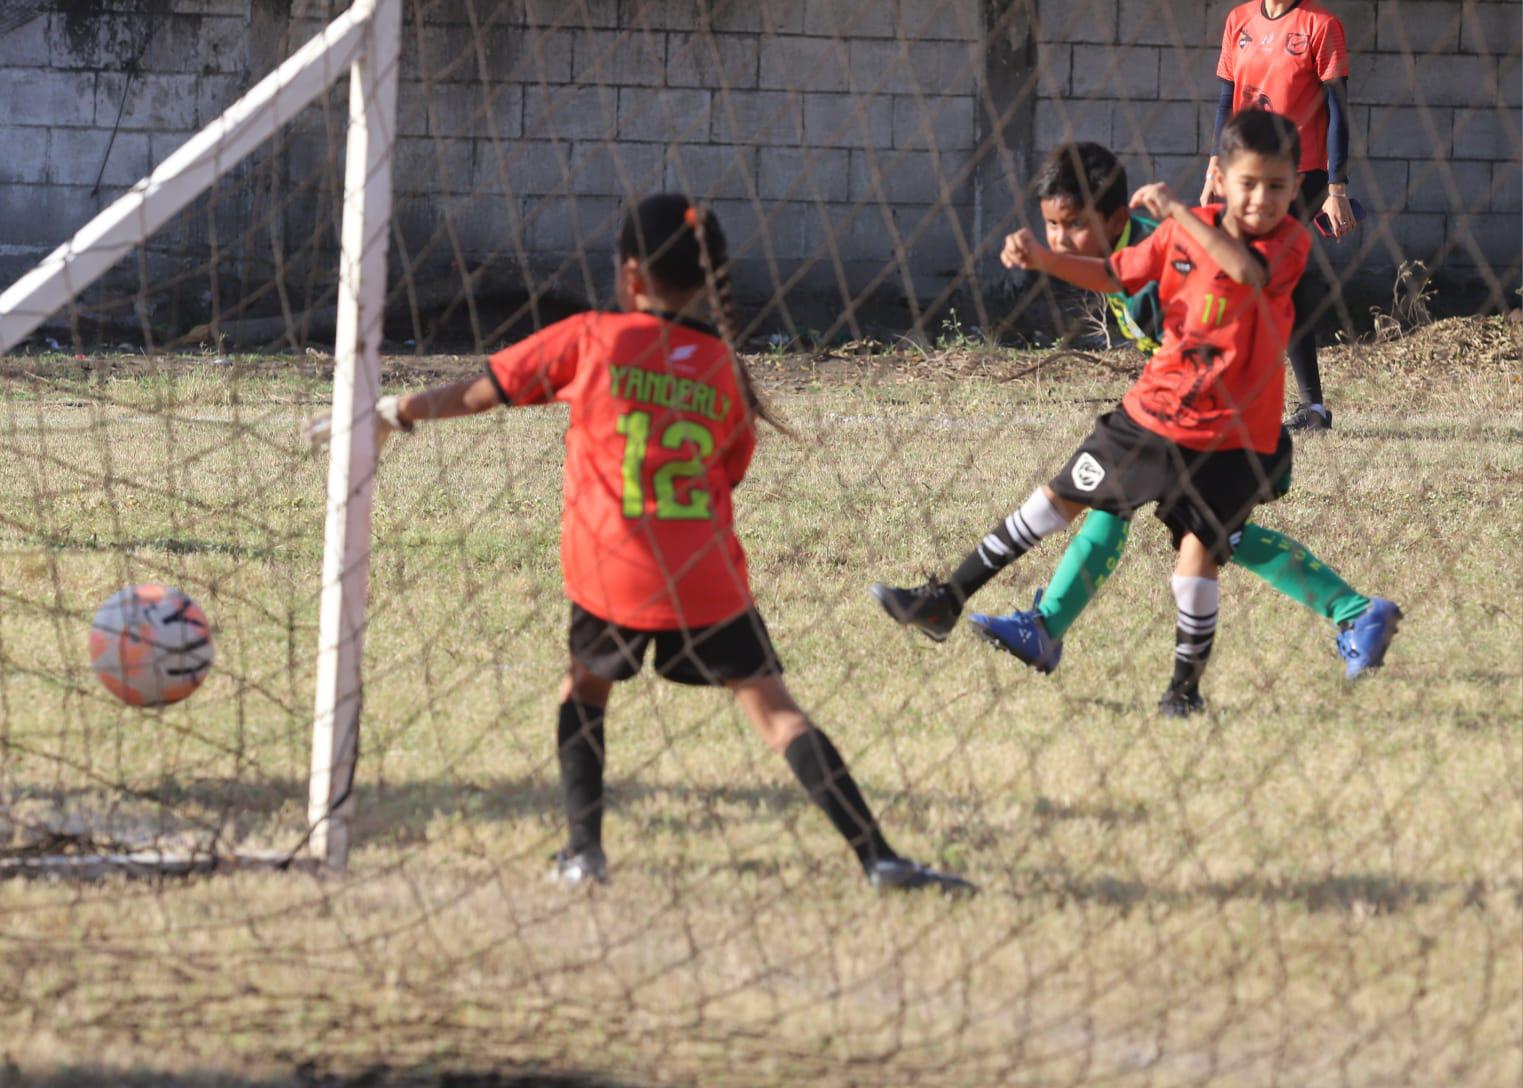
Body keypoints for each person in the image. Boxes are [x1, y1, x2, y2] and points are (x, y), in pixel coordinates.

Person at [310, 194, 972, 894]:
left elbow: (485, 390)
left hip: (612, 568)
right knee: (776, 711)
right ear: (711, 277)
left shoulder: (592, 338)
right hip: (706, 576)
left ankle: (583, 853)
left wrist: (394, 412)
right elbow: (731, 470)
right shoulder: (722, 366)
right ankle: (878, 857)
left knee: (584, 687)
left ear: (628, 275)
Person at [873, 111, 1367, 717]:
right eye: (1247, 184)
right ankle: (966, 604)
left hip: (1229, 433)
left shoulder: (1264, 239)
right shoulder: (1168, 238)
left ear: (1296, 189)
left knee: (1206, 550)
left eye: (1072, 226)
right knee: (1068, 498)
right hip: (1155, 415)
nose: (1059, 237)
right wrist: (1042, 261)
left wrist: (1181, 213)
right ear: (1222, 178)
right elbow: (1110, 273)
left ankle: (1202, 678)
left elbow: (1244, 273)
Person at [1203, 0, 1357, 433]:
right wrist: (1217, 164)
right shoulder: (1239, 20)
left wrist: (1336, 188)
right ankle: (1310, 409)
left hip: (1299, 176)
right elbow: (1224, 100)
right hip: (1247, 172)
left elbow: (1339, 111)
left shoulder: (1322, 25)